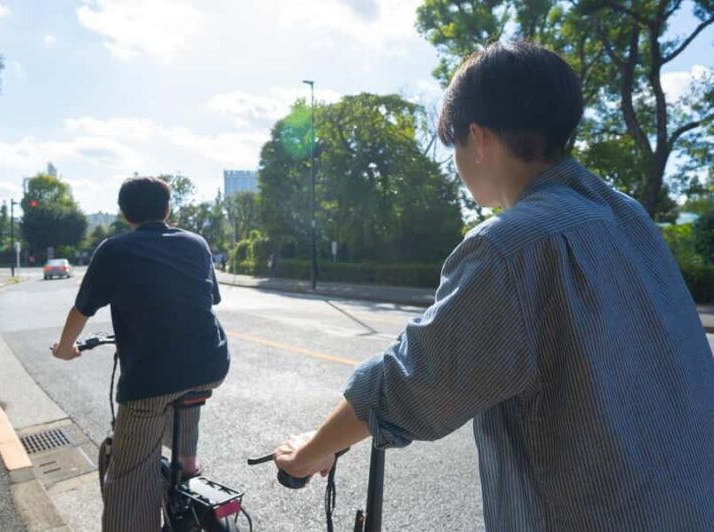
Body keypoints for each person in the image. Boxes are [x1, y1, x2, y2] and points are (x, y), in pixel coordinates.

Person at [273, 42, 714, 530]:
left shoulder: (509, 245)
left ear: (478, 139)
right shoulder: (628, 215)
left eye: (455, 146)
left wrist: (310, 452)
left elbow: (411, 384)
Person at [52, 176, 229, 531]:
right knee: (186, 395)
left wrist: (65, 348)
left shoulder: (114, 250)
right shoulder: (196, 243)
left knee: (129, 478)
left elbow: (82, 310)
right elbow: (211, 298)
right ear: (168, 209)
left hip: (151, 378)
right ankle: (187, 466)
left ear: (124, 212)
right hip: (212, 363)